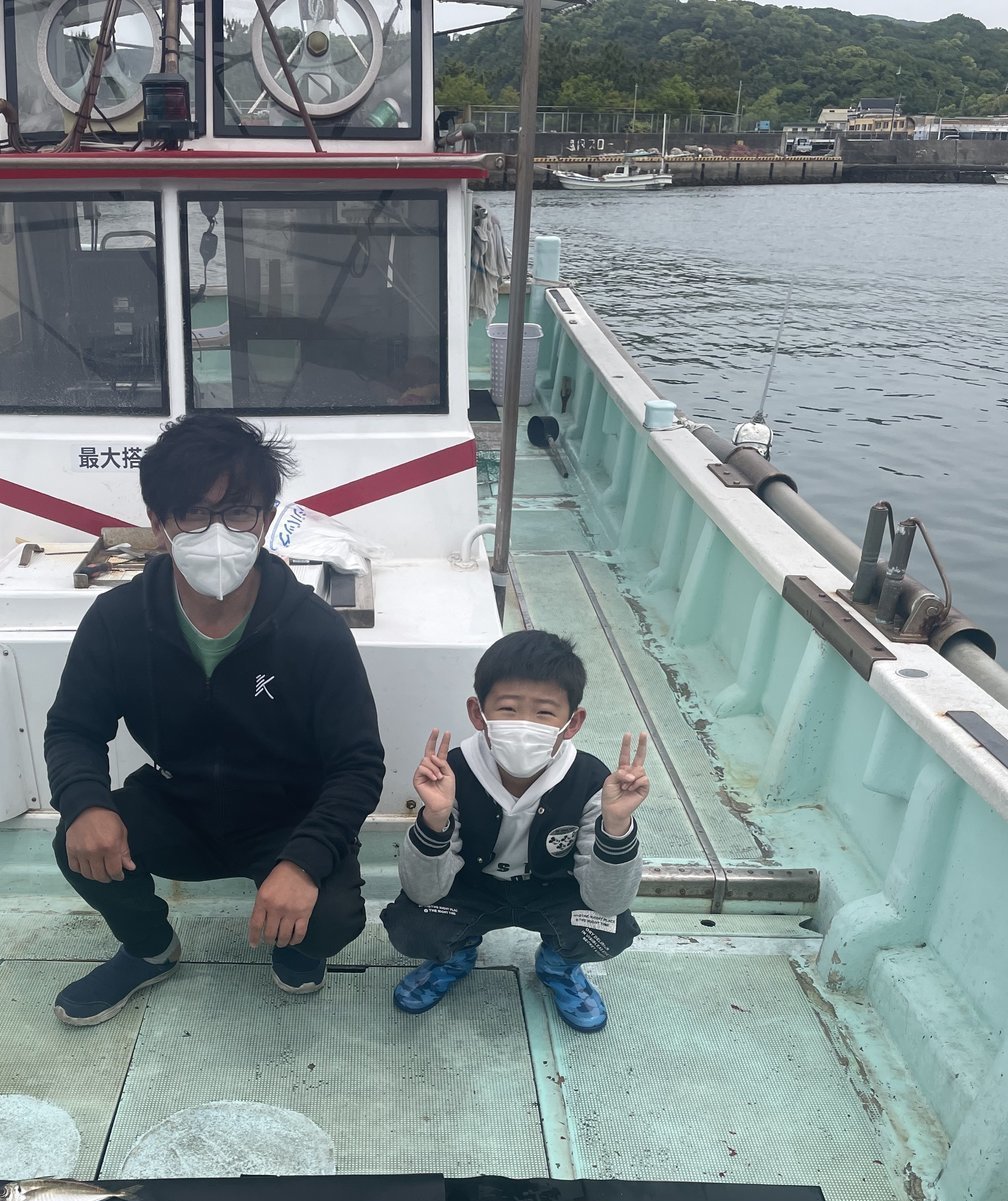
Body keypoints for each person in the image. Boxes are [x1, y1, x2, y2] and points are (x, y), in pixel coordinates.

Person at [45, 414, 385, 1025]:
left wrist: (303, 861)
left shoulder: (313, 631)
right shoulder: (117, 620)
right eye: (193, 515)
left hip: (286, 812)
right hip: (180, 801)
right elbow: (74, 727)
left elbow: (357, 764)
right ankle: (150, 949)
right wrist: (86, 804)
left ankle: (300, 948)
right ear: (159, 523)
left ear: (267, 517)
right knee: (78, 841)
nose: (218, 533)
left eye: (240, 513)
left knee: (333, 918)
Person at [381, 630, 648, 1031]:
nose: (525, 725)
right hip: (471, 889)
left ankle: (559, 967)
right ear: (478, 713)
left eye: (544, 713)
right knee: (414, 924)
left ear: (572, 723)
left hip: (552, 892)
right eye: (507, 708)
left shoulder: (594, 782)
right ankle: (455, 955)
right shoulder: (451, 772)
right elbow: (424, 890)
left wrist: (616, 824)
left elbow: (608, 900)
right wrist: (434, 817)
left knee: (608, 930)